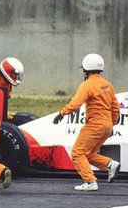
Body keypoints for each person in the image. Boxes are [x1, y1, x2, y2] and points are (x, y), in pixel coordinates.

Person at [52, 54, 121, 191]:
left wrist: (62, 113)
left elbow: (76, 104)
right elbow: (115, 108)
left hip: (94, 125)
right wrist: (111, 125)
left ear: (85, 69)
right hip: (107, 126)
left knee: (77, 153)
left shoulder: (87, 85)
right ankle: (110, 164)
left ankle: (90, 182)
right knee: (88, 154)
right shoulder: (108, 85)